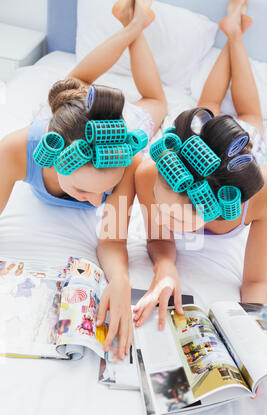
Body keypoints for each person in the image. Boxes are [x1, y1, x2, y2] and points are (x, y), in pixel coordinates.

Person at [0, 0, 166, 358]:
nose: (95, 203)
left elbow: (112, 238)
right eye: (81, 190)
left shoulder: (128, 160)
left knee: (155, 102)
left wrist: (119, 279)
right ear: (50, 156)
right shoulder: (16, 148)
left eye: (103, 192)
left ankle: (134, 25)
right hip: (66, 122)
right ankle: (134, 25)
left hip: (127, 123)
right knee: (72, 85)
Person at [134, 0, 267, 330]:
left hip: (241, 151)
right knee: (206, 107)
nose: (162, 213)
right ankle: (231, 31)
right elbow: (158, 239)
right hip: (200, 140)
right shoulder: (150, 172)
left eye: (174, 215)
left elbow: (256, 281)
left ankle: (234, 36)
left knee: (250, 117)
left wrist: (266, 337)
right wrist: (165, 267)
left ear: (216, 207)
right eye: (162, 205)